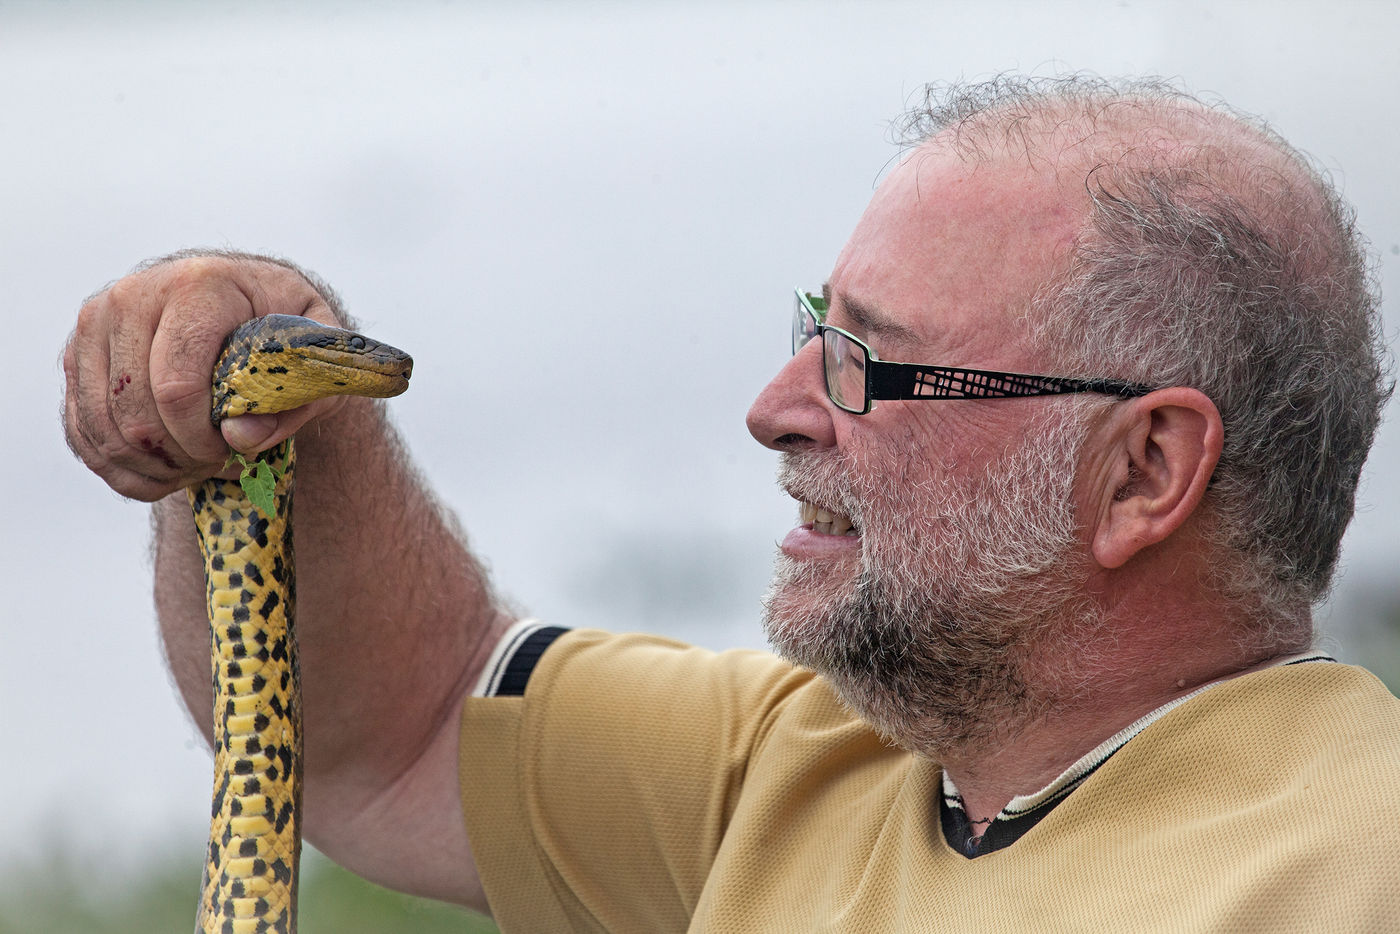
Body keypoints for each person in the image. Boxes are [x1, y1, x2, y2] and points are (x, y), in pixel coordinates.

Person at [63, 75, 1398, 931]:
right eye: (815, 327)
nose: (775, 404)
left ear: (1144, 471)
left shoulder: (1355, 865)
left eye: (868, 361)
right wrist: (268, 362)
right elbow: (390, 733)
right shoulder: (801, 764)